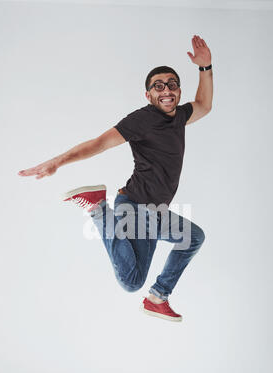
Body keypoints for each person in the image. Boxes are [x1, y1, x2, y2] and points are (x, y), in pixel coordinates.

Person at [18, 35, 213, 322]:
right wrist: (58, 161)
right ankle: (98, 209)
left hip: (154, 211)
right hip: (135, 204)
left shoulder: (180, 116)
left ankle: (157, 297)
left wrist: (205, 68)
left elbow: (205, 105)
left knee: (193, 237)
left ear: (178, 90)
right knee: (132, 281)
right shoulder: (142, 119)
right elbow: (99, 143)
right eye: (158, 86)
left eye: (172, 84)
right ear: (148, 96)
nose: (166, 90)